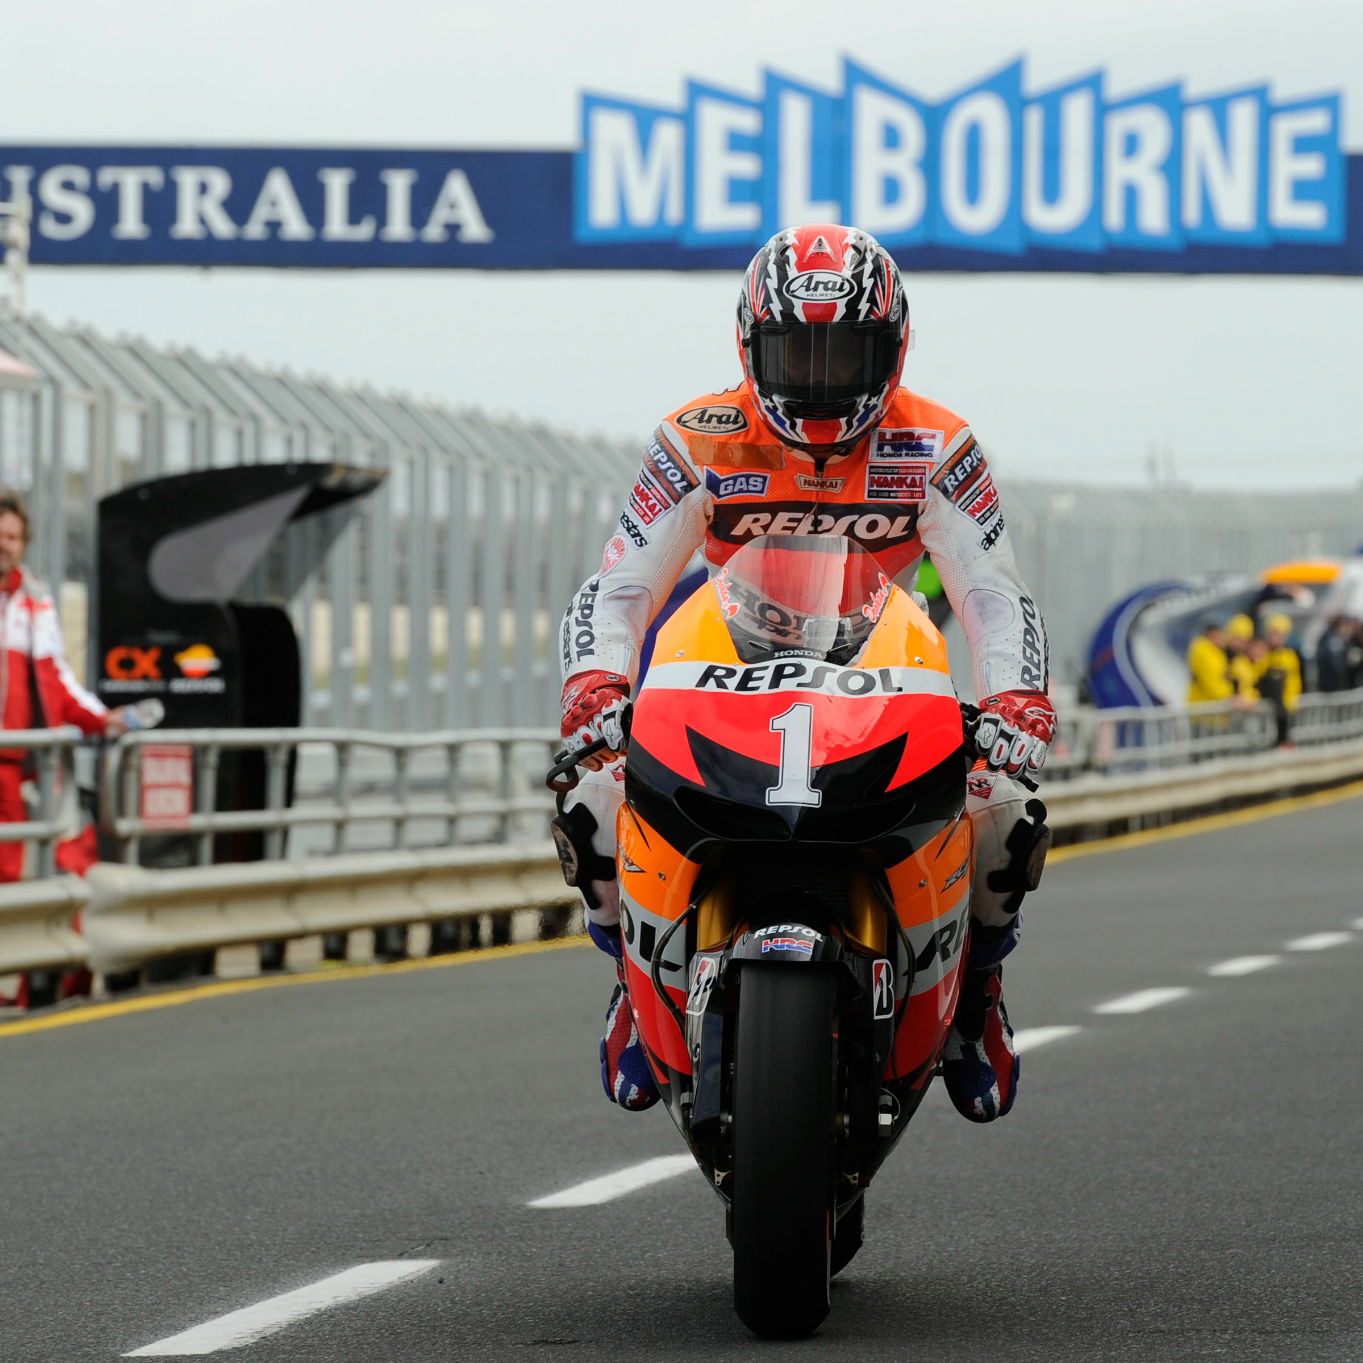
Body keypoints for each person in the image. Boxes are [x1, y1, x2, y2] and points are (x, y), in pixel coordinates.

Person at [555, 224, 1055, 1125]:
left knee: (1006, 805)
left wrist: (1017, 705)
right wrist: (593, 689)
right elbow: (620, 585)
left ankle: (976, 991)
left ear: (891, 345)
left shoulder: (940, 443)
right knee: (591, 791)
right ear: (751, 345)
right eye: (798, 349)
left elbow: (991, 591)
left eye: (843, 349)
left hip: (881, 669)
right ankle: (631, 983)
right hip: (717, 667)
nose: (819, 375)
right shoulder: (694, 437)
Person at [0, 490, 131, 882]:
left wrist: (102, 719)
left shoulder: (35, 602)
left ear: (24, 544)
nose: (3, 545)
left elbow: (55, 679)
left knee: (18, 859)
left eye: (11, 537)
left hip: (16, 762)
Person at [1254, 613, 1302, 747]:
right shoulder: (1263, 654)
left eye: (1279, 634)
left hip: (1282, 709)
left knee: (1282, 740)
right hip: (1265, 709)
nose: (1275, 638)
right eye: (1273, 633)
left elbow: (1293, 682)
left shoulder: (1288, 656)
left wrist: (1289, 701)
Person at [1186, 616, 1233, 705]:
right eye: (1221, 635)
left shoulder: (1215, 652)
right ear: (1212, 635)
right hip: (1204, 707)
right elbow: (1211, 684)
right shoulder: (1204, 652)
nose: (1224, 638)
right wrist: (1230, 697)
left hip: (1210, 709)